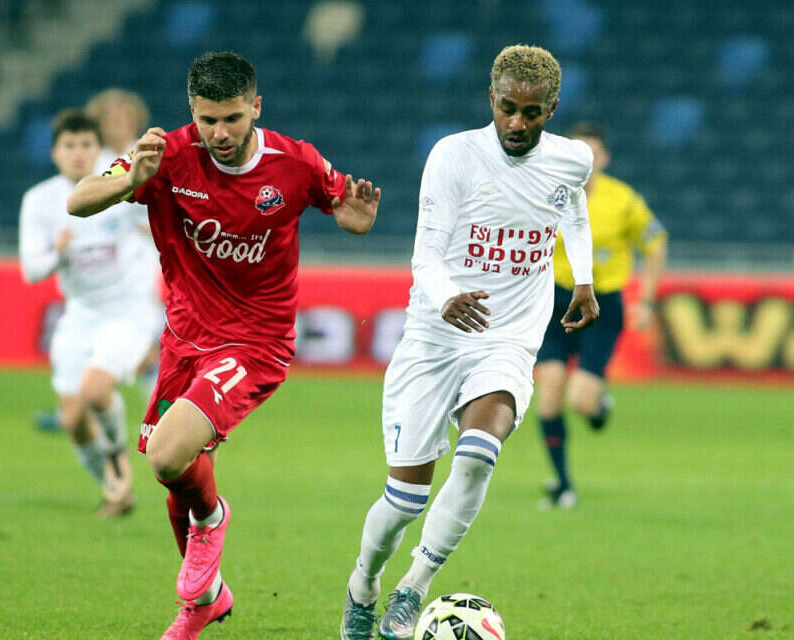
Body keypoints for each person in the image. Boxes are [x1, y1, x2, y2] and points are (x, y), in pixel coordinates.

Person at [67, 51, 381, 639]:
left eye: (232, 118)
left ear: (256, 107)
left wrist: (353, 219)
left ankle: (212, 519)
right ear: (192, 111)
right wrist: (130, 179)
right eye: (207, 120)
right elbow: (78, 199)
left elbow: (344, 205)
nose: (220, 133)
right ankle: (204, 603)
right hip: (184, 341)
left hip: (256, 344)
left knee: (167, 455)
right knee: (176, 476)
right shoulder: (165, 155)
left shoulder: (295, 162)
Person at [338, 45, 599, 640]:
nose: (517, 122)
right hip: (435, 338)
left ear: (552, 109)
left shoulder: (573, 160)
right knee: (404, 501)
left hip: (507, 337)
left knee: (480, 454)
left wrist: (582, 279)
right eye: (508, 108)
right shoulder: (454, 156)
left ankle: (413, 588)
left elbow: (574, 209)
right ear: (491, 98)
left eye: (531, 112)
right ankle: (364, 584)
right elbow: (426, 254)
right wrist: (446, 296)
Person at [20, 109, 160, 518]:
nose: (78, 153)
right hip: (80, 314)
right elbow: (31, 270)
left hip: (129, 310)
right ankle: (116, 490)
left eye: (86, 145)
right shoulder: (40, 201)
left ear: (99, 149)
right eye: (69, 146)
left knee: (97, 390)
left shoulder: (119, 184)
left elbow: (157, 217)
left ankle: (116, 456)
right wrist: (57, 253)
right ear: (55, 152)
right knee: (74, 420)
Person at [534, 122, 668, 509]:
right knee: (549, 394)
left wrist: (646, 300)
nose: (586, 162)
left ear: (604, 158)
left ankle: (597, 405)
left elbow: (656, 243)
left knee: (580, 400)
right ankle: (563, 485)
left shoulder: (623, 201)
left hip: (602, 305)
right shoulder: (546, 194)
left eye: (592, 154)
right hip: (555, 301)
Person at [34, 89, 165, 433]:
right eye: (110, 118)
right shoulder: (96, 161)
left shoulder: (148, 153)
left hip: (147, 264)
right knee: (112, 344)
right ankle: (81, 407)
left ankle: (160, 416)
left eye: (123, 116)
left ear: (136, 119)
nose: (117, 123)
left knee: (154, 346)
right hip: (105, 266)